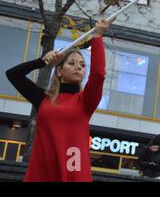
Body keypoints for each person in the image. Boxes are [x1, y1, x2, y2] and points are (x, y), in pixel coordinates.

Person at [5, 18, 114, 182]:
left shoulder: (85, 101)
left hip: (73, 172)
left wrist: (98, 37)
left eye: (83, 65)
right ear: (59, 71)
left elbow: (98, 75)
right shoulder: (43, 99)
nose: (78, 67)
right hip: (42, 172)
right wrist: (42, 61)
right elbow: (13, 74)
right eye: (72, 63)